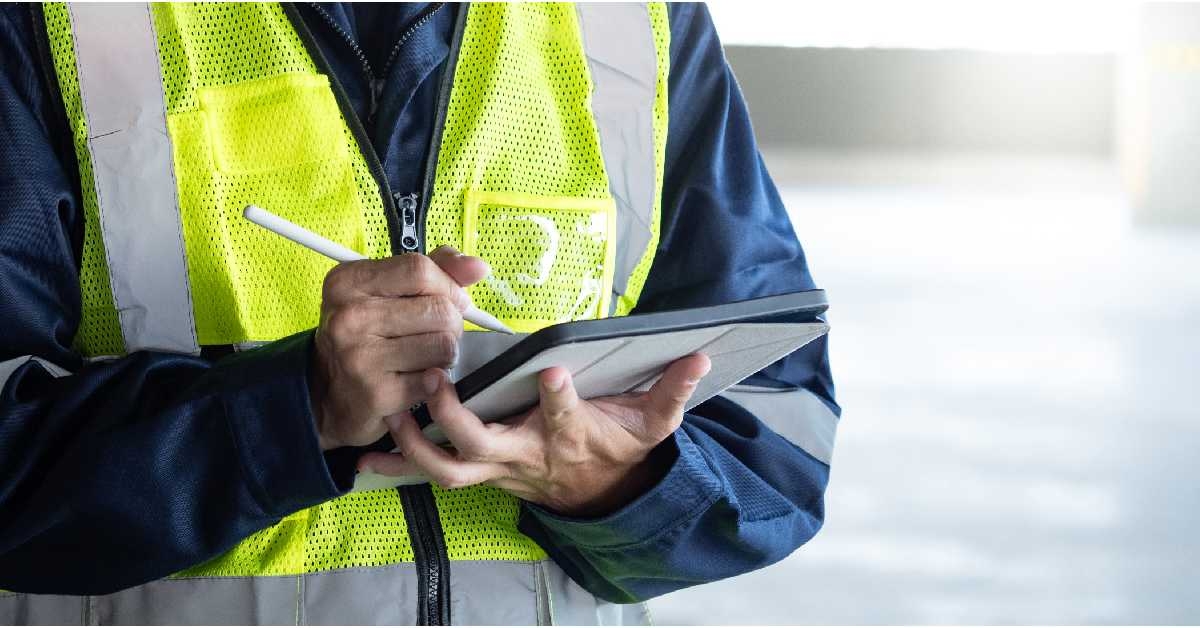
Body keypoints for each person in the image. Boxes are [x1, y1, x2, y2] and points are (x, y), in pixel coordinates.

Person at [0, 2, 840, 624]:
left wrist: (615, 483)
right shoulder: (50, 23)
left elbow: (779, 433)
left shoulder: (634, 22)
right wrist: (297, 408)